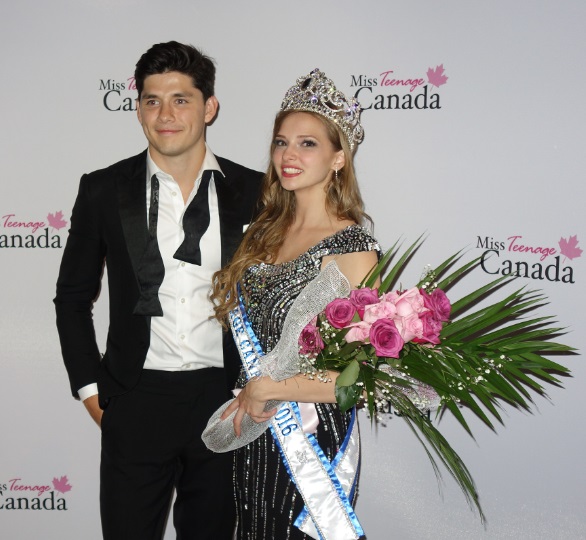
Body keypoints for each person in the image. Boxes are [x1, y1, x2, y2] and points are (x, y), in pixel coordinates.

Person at [54, 41, 262, 540]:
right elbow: (72, 298)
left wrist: (256, 390)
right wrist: (93, 393)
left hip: (225, 400)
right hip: (135, 398)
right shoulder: (104, 189)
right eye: (152, 100)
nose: (165, 114)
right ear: (139, 109)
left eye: (181, 99)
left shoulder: (255, 191)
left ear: (209, 107)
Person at [209, 69, 380, 539]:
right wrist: (257, 393)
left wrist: (269, 390)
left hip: (306, 440)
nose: (288, 155)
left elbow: (360, 382)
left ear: (338, 157)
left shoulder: (353, 248)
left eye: (308, 144)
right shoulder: (263, 234)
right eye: (282, 142)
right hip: (255, 433)